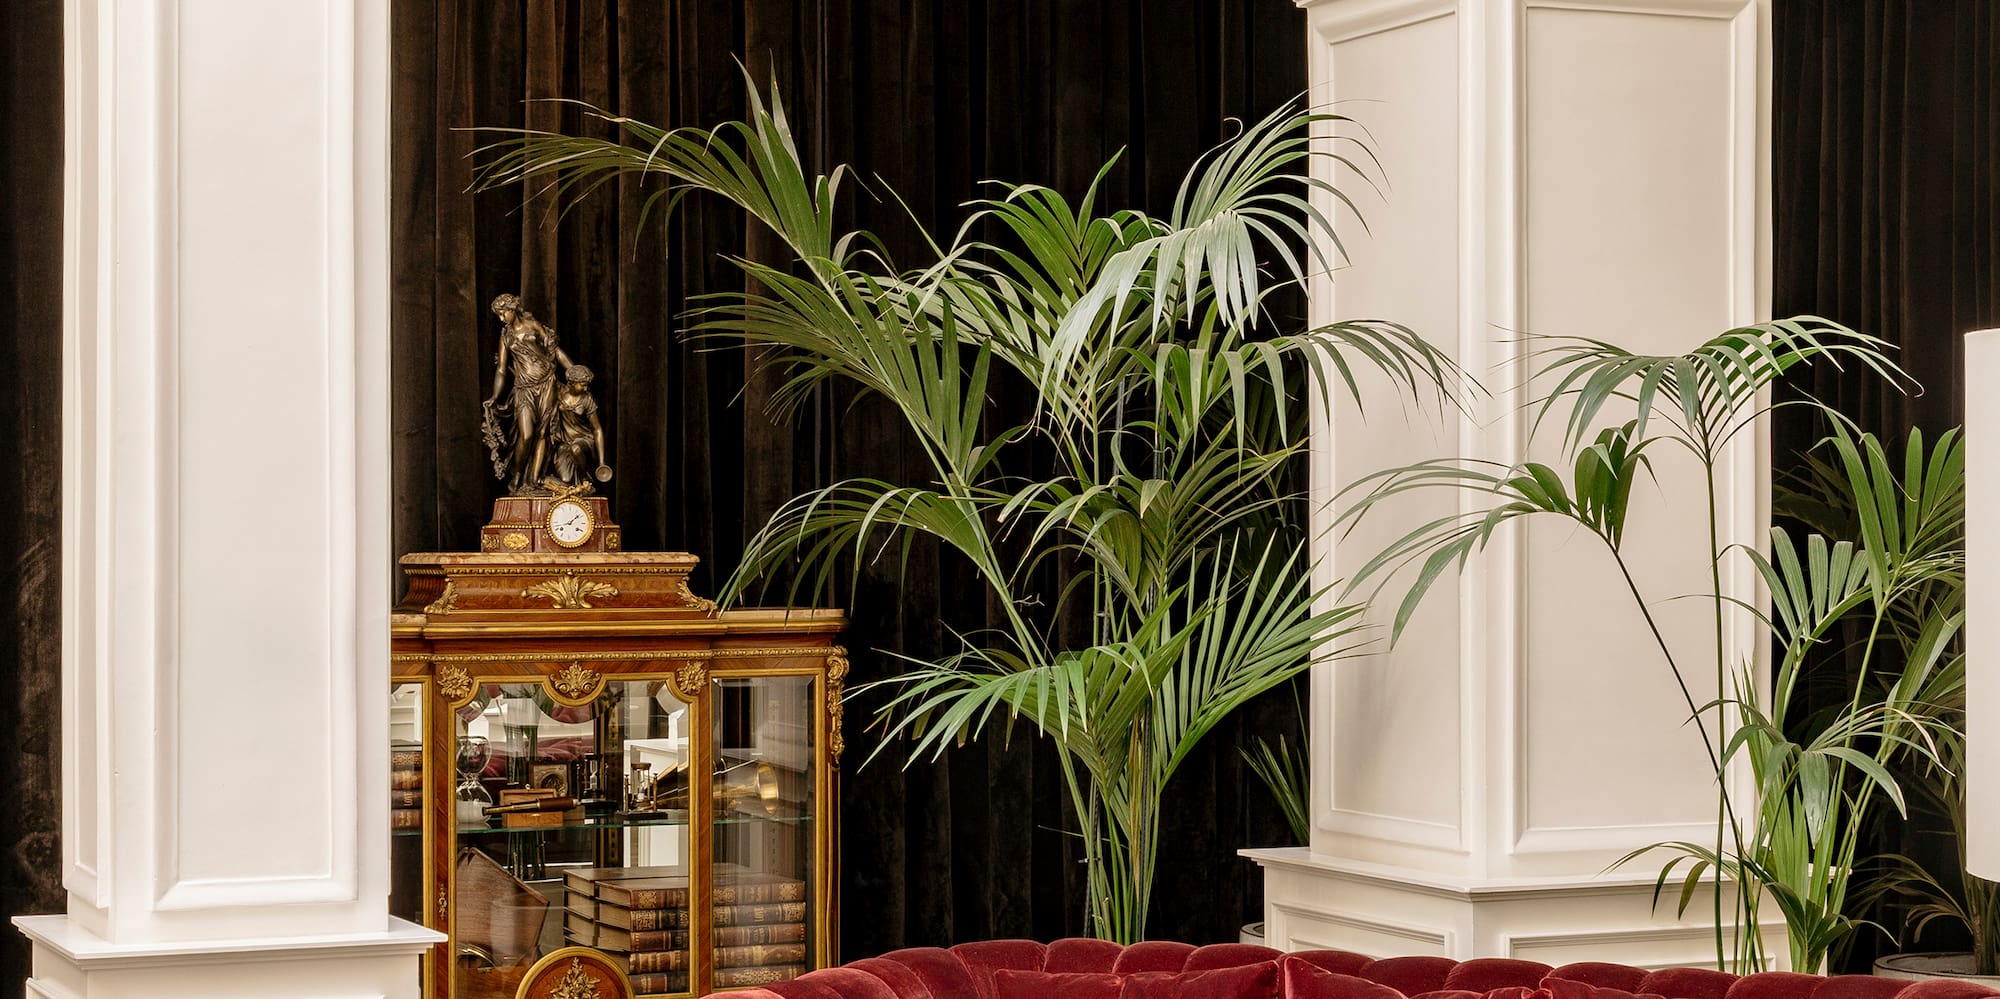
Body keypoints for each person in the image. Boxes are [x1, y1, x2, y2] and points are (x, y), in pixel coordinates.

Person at [481, 293, 573, 494]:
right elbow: (502, 370)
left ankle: (533, 480)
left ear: (512, 309)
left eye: (503, 313)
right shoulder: (506, 337)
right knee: (527, 434)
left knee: (543, 433)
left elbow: (553, 349)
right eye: (499, 315)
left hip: (547, 383)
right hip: (524, 389)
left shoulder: (533, 325)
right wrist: (495, 397)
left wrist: (571, 371)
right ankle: (516, 477)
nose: (501, 318)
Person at [546, 365, 612, 490]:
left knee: (576, 449)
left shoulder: (587, 399)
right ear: (571, 383)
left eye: (586, 384)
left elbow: (597, 429)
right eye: (582, 384)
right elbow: (537, 380)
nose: (585, 388)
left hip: (584, 439)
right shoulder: (559, 391)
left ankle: (584, 481)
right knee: (565, 480)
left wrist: (602, 462)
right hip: (565, 442)